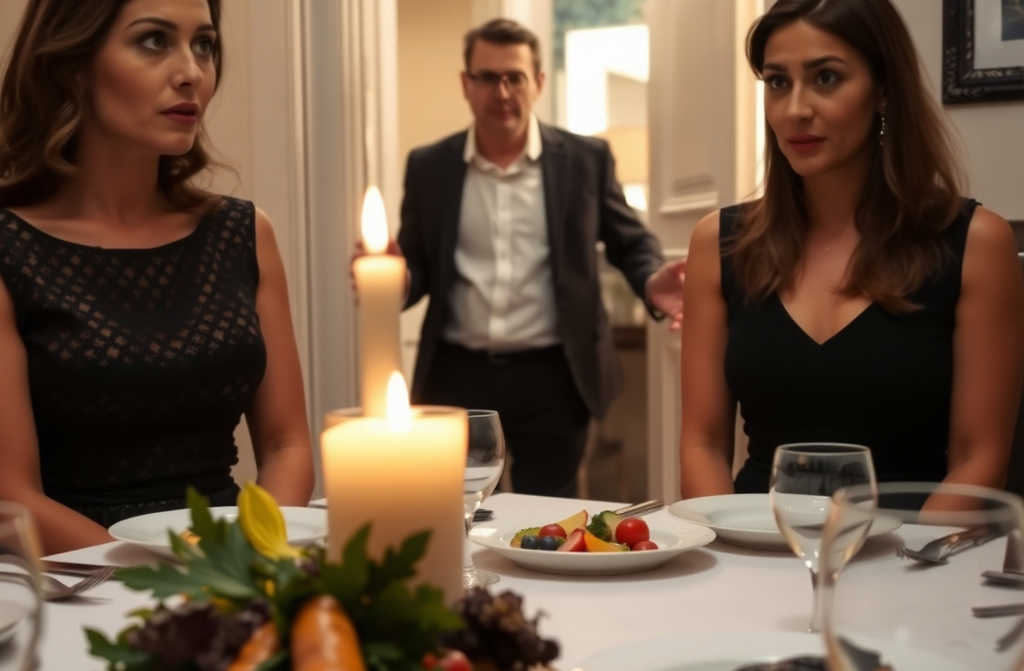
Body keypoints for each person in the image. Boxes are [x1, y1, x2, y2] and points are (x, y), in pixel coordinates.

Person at [0, 0, 314, 553]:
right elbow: (12, 495)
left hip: (228, 561)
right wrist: (161, 577)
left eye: (204, 45)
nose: (192, 72)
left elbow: (287, 446)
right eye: (153, 41)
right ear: (72, 64)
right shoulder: (9, 246)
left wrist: (247, 562)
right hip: (73, 576)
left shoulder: (243, 233)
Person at [680, 0, 1024, 497]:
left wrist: (917, 546)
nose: (796, 109)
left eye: (826, 78)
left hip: (916, 539)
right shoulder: (720, 242)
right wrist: (726, 541)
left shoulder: (975, 243)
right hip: (755, 537)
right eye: (778, 82)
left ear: (883, 89)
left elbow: (980, 459)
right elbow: (703, 445)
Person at [396, 18, 685, 497]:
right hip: (455, 375)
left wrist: (653, 280)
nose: (502, 91)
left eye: (515, 77)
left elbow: (630, 242)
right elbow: (416, 263)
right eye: (488, 77)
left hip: (554, 375)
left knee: (549, 517)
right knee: (452, 512)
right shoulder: (429, 166)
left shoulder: (586, 160)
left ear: (539, 82)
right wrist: (392, 279)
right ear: (466, 84)